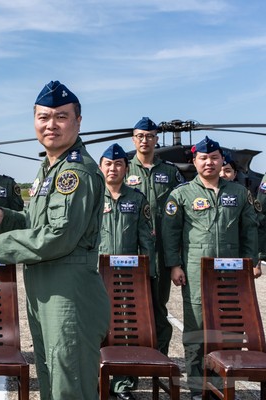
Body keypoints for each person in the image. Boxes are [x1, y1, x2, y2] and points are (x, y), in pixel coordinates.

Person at [0, 80, 110, 400]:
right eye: (43, 117)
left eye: (61, 117)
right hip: (45, 290)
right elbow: (36, 223)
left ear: (78, 121)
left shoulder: (76, 172)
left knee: (69, 386)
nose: (51, 125)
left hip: (68, 295)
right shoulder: (48, 169)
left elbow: (59, 236)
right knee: (50, 378)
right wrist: (1, 216)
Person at [162, 136, 259, 399]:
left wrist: (252, 263)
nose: (209, 162)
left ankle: (222, 384)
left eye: (214, 157)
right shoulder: (181, 195)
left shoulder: (239, 193)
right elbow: (170, 233)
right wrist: (174, 265)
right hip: (195, 272)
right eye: (203, 158)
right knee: (196, 331)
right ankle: (196, 387)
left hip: (232, 273)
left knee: (229, 331)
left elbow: (250, 230)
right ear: (195, 161)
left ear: (222, 161)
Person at [98, 143, 155, 400]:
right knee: (97, 326)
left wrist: (146, 273)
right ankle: (98, 379)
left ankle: (123, 384)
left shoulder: (137, 199)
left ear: (126, 168)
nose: (113, 168)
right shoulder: (92, 197)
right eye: (108, 164)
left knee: (126, 327)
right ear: (101, 167)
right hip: (96, 275)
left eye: (118, 164)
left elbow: (146, 240)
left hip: (128, 276)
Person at [125, 116, 184, 356]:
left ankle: (159, 358)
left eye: (149, 136)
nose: (145, 140)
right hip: (130, 250)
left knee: (158, 307)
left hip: (159, 251)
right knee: (128, 308)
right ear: (133, 139)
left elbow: (181, 210)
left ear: (156, 139)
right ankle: (129, 360)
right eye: (140, 136)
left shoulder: (170, 172)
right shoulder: (123, 168)